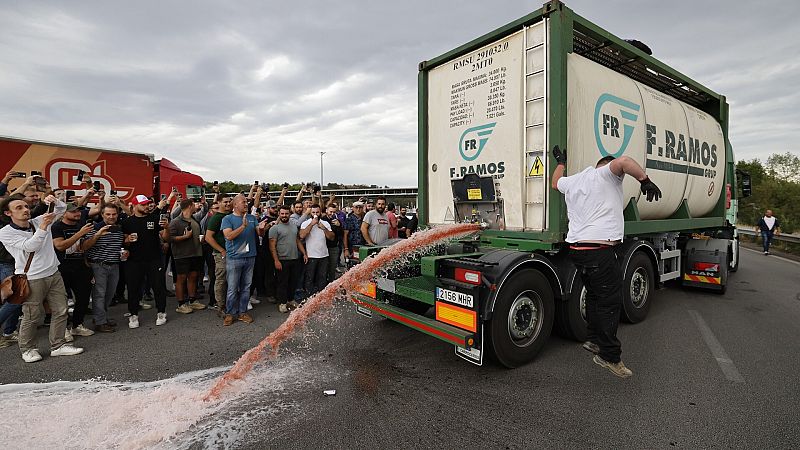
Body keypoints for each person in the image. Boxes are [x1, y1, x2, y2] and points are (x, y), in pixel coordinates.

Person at [551, 146, 662, 379]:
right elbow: (623, 161)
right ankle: (609, 356)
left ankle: (593, 339)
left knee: (593, 295)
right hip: (598, 251)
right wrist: (644, 180)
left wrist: (561, 162)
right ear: (608, 166)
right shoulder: (606, 173)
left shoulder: (574, 181)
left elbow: (555, 182)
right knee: (610, 301)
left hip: (577, 251)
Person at [0, 193, 84, 362]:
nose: (25, 210)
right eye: (19, 208)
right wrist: (44, 226)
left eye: (25, 206)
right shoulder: (5, 232)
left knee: (61, 310)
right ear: (8, 213)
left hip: (53, 273)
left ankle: (58, 345)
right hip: (31, 277)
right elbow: (31, 247)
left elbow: (61, 209)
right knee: (32, 315)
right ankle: (28, 349)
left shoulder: (37, 221)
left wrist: (55, 201)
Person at [122, 194, 171, 328]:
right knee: (133, 289)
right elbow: (123, 241)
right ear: (134, 205)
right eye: (143, 204)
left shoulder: (155, 219)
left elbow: (166, 238)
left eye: (148, 203)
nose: (147, 206)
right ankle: (133, 315)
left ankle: (161, 312)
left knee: (158, 287)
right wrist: (127, 240)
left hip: (154, 259)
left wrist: (167, 227)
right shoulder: (127, 222)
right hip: (134, 260)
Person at [51, 202, 96, 337]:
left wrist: (97, 235)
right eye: (73, 211)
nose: (77, 214)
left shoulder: (80, 225)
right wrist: (80, 233)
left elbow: (83, 246)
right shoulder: (56, 227)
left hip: (81, 267)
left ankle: (77, 325)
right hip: (61, 268)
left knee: (83, 298)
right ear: (64, 213)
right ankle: (63, 329)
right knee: (61, 302)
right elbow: (60, 246)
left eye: (78, 211)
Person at [221, 194, 264, 325]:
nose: (246, 204)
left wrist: (262, 228)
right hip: (234, 258)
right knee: (232, 288)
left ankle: (242, 312)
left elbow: (259, 234)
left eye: (246, 202)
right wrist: (242, 227)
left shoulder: (251, 218)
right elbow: (228, 236)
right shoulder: (227, 219)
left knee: (246, 287)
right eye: (243, 202)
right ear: (235, 205)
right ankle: (230, 314)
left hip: (250, 257)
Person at [82, 204, 126, 333]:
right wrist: (97, 235)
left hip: (114, 265)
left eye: (114, 214)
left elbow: (119, 247)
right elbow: (84, 246)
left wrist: (124, 252)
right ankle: (100, 322)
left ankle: (100, 317)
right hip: (98, 265)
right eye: (108, 214)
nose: (111, 217)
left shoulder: (118, 228)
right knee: (99, 294)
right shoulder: (94, 228)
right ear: (102, 215)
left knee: (109, 294)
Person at [168, 199, 207, 314]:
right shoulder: (176, 221)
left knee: (193, 276)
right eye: (194, 204)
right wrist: (184, 237)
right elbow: (169, 238)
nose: (196, 206)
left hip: (196, 253)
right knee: (181, 278)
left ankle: (192, 300)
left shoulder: (194, 219)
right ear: (190, 206)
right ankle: (181, 303)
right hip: (182, 254)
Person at [269, 205, 307, 313]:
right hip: (282, 260)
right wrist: (276, 260)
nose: (284, 215)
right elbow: (272, 246)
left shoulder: (294, 226)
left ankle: (290, 300)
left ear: (289, 214)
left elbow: (297, 241)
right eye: (282, 214)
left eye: (286, 214)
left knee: (293, 282)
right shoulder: (274, 228)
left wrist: (304, 253)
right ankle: (282, 303)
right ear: (279, 214)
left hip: (294, 258)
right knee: (282, 283)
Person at [299, 204, 334, 298]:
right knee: (309, 277)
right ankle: (309, 296)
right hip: (311, 255)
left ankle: (321, 297)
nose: (315, 214)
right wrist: (312, 224)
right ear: (310, 212)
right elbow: (302, 236)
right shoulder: (306, 223)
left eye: (317, 212)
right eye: (313, 212)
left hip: (324, 255)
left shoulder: (325, 223)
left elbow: (331, 237)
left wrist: (324, 228)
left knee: (322, 277)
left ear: (320, 212)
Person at [205, 194, 232, 314]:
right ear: (219, 203)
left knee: (230, 281)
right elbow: (208, 237)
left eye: (229, 202)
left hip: (232, 254)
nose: (227, 204)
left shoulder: (230, 216)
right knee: (221, 280)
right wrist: (221, 250)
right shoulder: (216, 218)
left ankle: (229, 304)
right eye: (225, 202)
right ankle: (220, 306)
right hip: (220, 255)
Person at [322, 204, 344, 282]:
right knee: (323, 269)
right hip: (324, 247)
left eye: (334, 212)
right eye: (330, 211)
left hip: (334, 247)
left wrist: (339, 225)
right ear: (326, 211)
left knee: (332, 268)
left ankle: (331, 283)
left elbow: (341, 234)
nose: (332, 213)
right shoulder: (322, 219)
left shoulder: (336, 219)